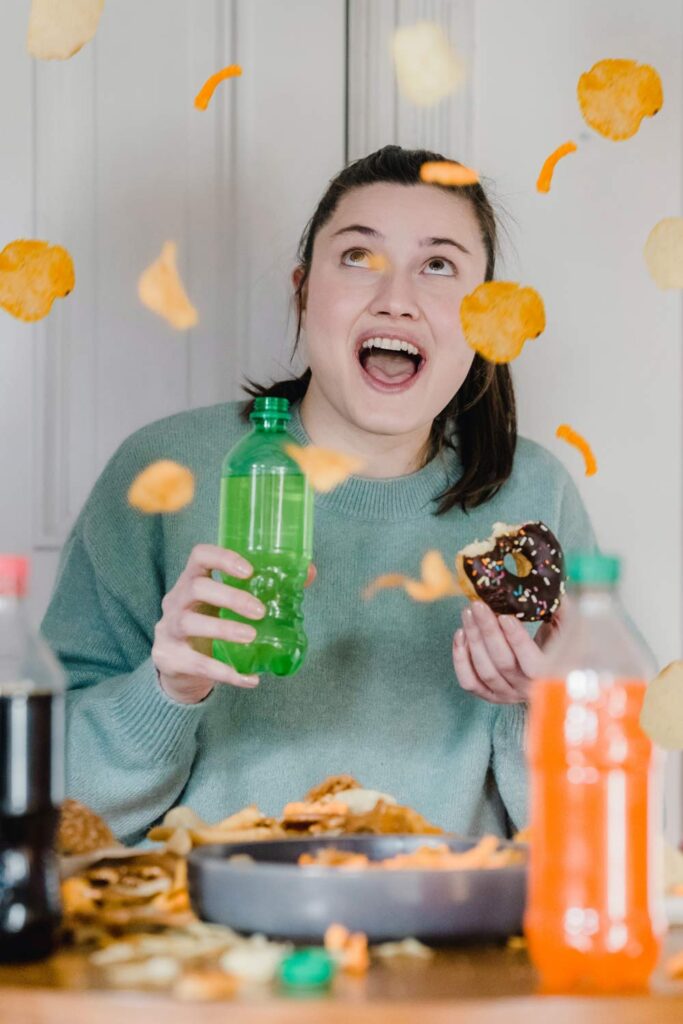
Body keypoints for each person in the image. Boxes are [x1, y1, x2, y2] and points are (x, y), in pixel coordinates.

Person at [42, 145, 596, 846]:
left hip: (454, 938)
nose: (396, 297)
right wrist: (167, 691)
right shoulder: (165, 471)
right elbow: (49, 805)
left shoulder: (533, 494)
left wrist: (535, 710)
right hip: (196, 938)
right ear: (303, 290)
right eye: (359, 257)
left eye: (437, 265)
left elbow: (604, 833)